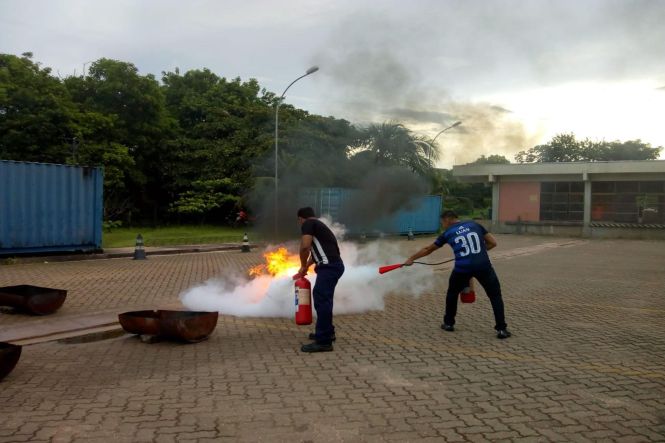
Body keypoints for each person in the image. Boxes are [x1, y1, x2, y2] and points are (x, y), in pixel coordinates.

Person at [404, 210, 511, 339]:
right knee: (495, 296)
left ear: (447, 220)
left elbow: (428, 249)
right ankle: (502, 329)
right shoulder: (474, 225)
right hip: (483, 266)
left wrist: (411, 258)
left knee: (452, 294)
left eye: (442, 223)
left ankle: (449, 323)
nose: (442, 225)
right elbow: (493, 243)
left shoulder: (447, 233)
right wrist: (479, 252)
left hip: (462, 268)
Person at [294, 207, 345, 352]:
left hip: (328, 267)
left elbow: (305, 247)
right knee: (323, 299)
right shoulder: (319, 225)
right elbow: (316, 251)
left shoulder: (308, 224)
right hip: (333, 266)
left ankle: (324, 341)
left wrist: (303, 265)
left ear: (300, 218)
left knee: (322, 300)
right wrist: (307, 266)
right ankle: (327, 333)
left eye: (299, 221)